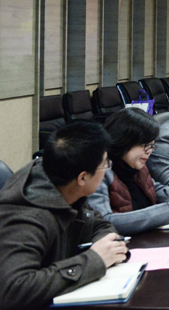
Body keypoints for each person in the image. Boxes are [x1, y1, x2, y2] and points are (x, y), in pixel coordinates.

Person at [0, 122, 127, 309]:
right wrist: (95, 260)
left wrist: (107, 247)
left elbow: (100, 224)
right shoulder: (27, 217)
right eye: (105, 165)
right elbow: (14, 290)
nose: (107, 170)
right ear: (82, 177)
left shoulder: (65, 185)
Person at [88, 109, 169, 235]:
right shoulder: (100, 172)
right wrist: (165, 212)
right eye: (145, 145)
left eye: (152, 146)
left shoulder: (137, 165)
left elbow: (155, 189)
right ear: (125, 140)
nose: (149, 152)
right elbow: (104, 221)